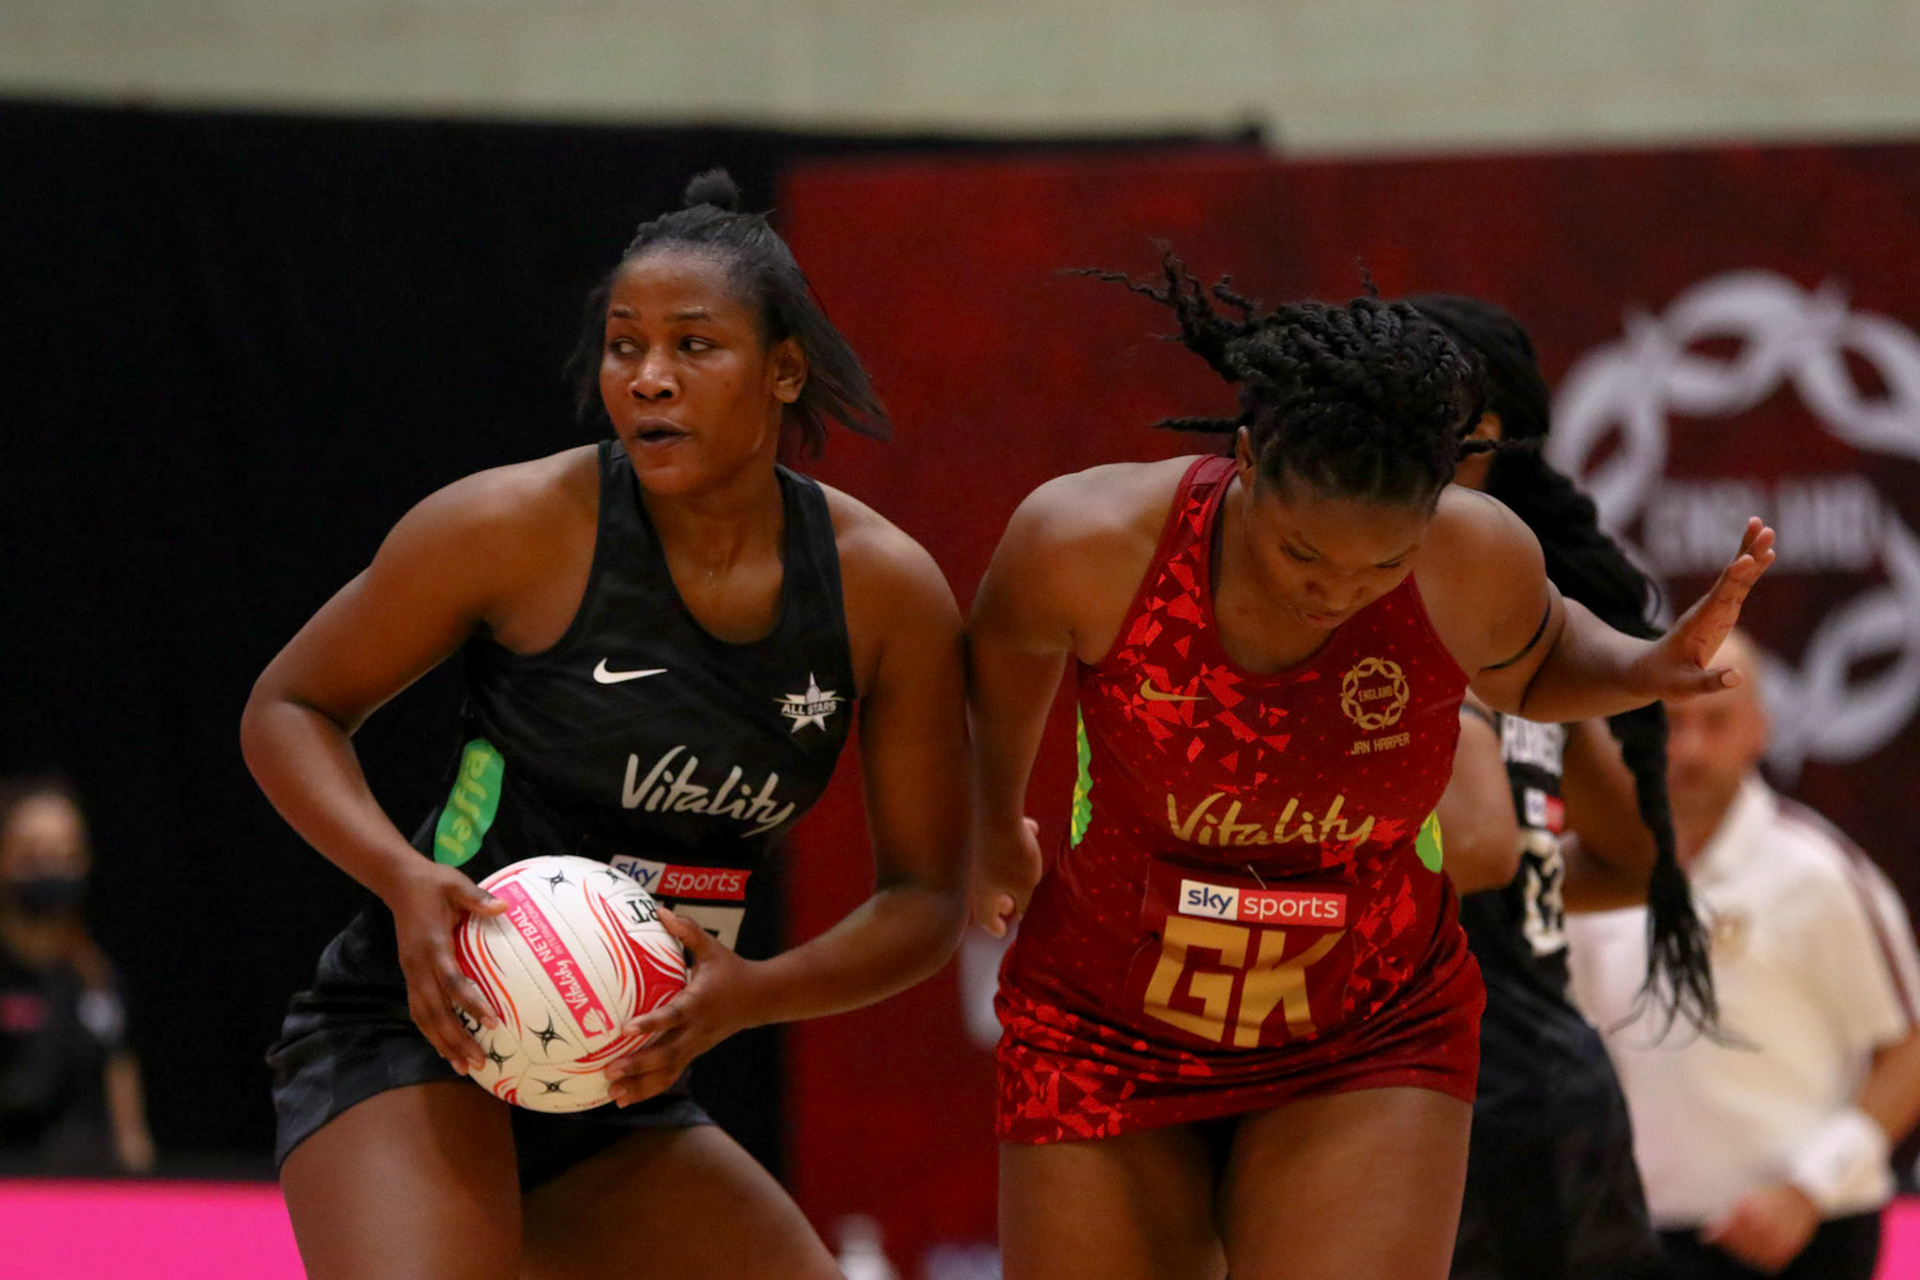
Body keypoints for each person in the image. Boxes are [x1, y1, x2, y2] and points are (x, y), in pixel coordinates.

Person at [966, 257, 1774, 1280]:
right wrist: (993, 822)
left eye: (1380, 564)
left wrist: (1644, 665)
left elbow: (1537, 659)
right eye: (1303, 555)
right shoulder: (1087, 540)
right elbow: (998, 654)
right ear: (1249, 458)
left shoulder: (1473, 555)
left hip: (1366, 1027)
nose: (1337, 592)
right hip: (1106, 1020)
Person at [243, 171, 969, 1280]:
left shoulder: (884, 594)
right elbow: (288, 707)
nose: (650, 378)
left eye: (694, 345)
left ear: (785, 370)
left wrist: (757, 992)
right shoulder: (513, 525)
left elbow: (925, 899)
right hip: (417, 1032)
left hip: (614, 1080)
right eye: (626, 346)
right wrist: (399, 876)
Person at [1417, 295, 1673, 1280]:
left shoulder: (1459, 627)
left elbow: (1481, 844)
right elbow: (1627, 860)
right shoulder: (1527, 634)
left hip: (1482, 1093)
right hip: (1525, 1083)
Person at [1568, 631, 1920, 1280]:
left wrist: (1811, 1187)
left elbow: (1909, 1047)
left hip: (1806, 1237)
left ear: (1761, 728)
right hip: (1631, 1240)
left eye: (1717, 721)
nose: (1691, 749)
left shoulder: (1819, 874)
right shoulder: (1583, 877)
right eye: (1671, 723)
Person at [0, 779, 155, 1175]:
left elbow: (131, 1136)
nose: (51, 868)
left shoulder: (98, 979)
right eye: (32, 854)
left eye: (65, 854)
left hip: (82, 1201)